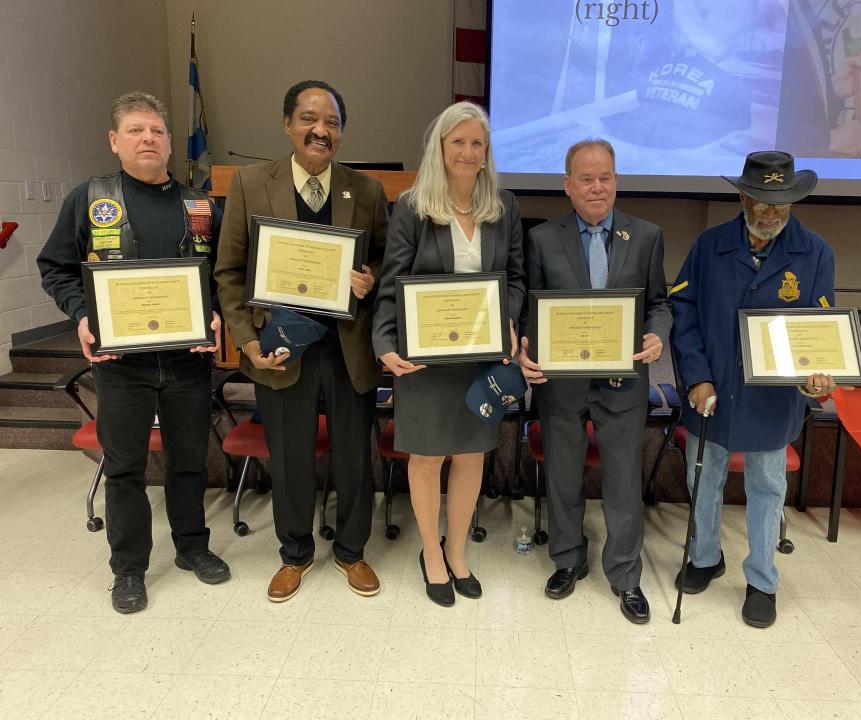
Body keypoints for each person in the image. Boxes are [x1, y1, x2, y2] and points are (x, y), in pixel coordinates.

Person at [37, 91, 229, 614]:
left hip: (188, 361)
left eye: (158, 131)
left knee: (190, 459)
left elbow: (222, 277)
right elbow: (55, 266)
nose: (149, 138)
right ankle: (128, 569)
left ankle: (192, 547)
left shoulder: (201, 205)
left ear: (170, 142)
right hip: (121, 365)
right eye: (137, 130)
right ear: (115, 141)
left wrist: (214, 312)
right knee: (125, 467)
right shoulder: (89, 198)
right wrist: (83, 315)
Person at [215, 80, 387, 602]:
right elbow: (228, 271)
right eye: (310, 119)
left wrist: (371, 278)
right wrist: (245, 341)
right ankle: (295, 554)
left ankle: (352, 552)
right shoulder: (249, 183)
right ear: (288, 124)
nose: (321, 130)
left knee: (354, 457)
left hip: (347, 348)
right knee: (289, 456)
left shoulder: (369, 190)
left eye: (332, 122)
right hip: (280, 347)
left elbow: (385, 258)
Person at [670, 150, 836, 628]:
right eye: (762, 199)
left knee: (767, 486)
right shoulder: (709, 245)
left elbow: (820, 329)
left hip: (771, 398)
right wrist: (696, 378)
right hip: (713, 390)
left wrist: (817, 376)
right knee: (704, 479)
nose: (771, 211)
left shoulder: (816, 252)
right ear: (743, 196)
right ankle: (705, 558)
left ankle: (762, 580)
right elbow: (684, 314)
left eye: (781, 201)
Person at [372, 102, 525, 607]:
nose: (466, 151)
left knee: (470, 454)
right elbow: (393, 282)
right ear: (440, 148)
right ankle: (430, 554)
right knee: (427, 456)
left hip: (481, 358)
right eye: (457, 141)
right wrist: (386, 344)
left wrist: (508, 316)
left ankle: (456, 551)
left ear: (486, 153)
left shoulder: (504, 206)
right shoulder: (414, 207)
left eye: (476, 143)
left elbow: (517, 279)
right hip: (426, 357)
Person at [518, 139, 671, 624]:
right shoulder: (542, 238)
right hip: (560, 382)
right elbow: (528, 310)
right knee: (563, 474)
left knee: (624, 480)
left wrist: (656, 334)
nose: (597, 187)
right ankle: (568, 560)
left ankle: (626, 576)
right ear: (567, 186)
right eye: (586, 178)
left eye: (605, 176)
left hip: (622, 382)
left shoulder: (646, 236)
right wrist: (523, 344)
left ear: (616, 180)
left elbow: (660, 304)